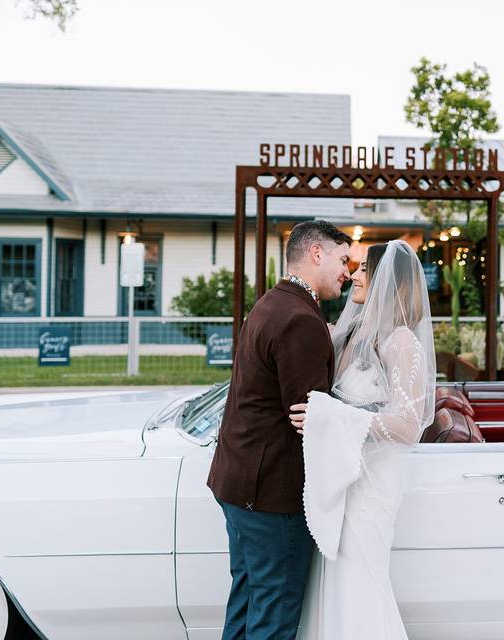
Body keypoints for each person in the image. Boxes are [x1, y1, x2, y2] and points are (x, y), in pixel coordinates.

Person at [206, 219, 352, 640]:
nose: (347, 270)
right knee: (274, 617)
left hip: (238, 483)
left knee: (248, 601)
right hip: (271, 496)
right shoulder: (300, 320)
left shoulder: (272, 303)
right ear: (316, 254)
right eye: (343, 260)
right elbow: (312, 420)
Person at [288, 240, 437, 640]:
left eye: (365, 270)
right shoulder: (353, 333)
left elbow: (408, 425)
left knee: (359, 579)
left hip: (372, 486)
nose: (354, 274)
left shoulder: (403, 343)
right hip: (344, 478)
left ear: (390, 282)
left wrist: (339, 417)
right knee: (332, 581)